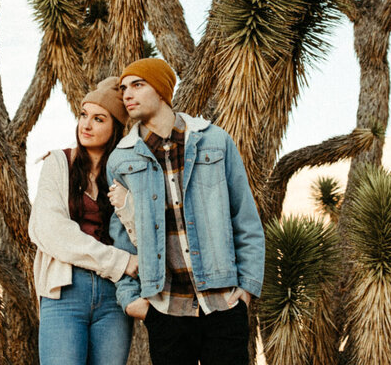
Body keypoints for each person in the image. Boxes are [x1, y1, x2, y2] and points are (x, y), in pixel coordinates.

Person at [105, 58, 265, 365]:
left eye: (138, 85)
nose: (127, 94)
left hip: (223, 302)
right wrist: (132, 302)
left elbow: (244, 218)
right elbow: (122, 241)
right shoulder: (121, 161)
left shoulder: (214, 141)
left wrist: (246, 290)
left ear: (163, 91)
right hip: (165, 309)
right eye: (124, 87)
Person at [29, 76, 140, 365]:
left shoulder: (126, 173)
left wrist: (127, 203)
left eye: (99, 118)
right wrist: (121, 262)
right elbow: (51, 231)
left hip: (114, 296)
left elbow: (140, 232)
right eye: (83, 115)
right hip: (65, 291)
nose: (86, 125)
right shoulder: (58, 163)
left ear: (115, 126)